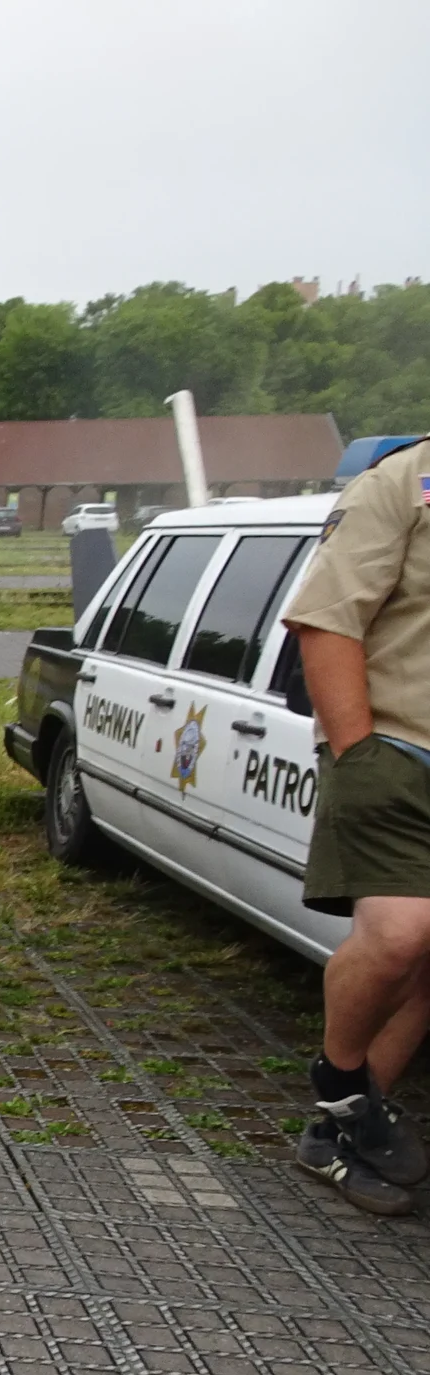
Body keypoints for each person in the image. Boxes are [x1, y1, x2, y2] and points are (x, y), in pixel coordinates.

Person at [283, 435, 430, 1215]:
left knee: (427, 960)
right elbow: (327, 619)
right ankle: (341, 1083)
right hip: (402, 750)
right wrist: (358, 750)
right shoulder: (404, 480)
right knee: (402, 933)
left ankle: (339, 1130)